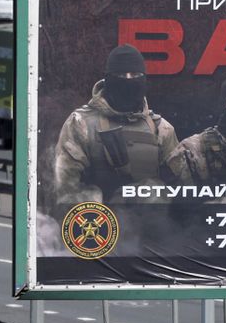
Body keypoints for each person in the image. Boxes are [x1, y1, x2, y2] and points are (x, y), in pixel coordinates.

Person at [49, 44, 181, 209]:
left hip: (152, 228)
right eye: (120, 74)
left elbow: (179, 191)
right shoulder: (81, 123)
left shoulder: (161, 129)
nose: (128, 80)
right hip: (97, 226)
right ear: (108, 79)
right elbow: (65, 189)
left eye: (135, 74)